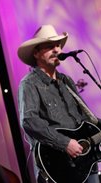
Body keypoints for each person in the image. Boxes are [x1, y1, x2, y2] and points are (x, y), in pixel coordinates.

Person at [17, 25, 100, 183]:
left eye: (58, 46)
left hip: (86, 162)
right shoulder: (29, 84)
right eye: (49, 46)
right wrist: (65, 143)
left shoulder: (66, 81)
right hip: (58, 166)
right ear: (36, 53)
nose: (56, 49)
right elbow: (29, 121)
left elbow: (84, 118)